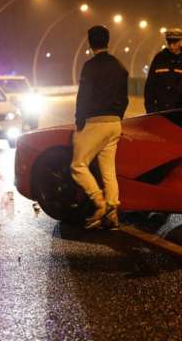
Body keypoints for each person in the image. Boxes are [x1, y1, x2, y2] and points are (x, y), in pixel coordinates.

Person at [71, 25, 129, 230]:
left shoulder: (90, 66)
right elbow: (125, 97)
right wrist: (118, 118)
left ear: (90, 42)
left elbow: (83, 96)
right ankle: (113, 213)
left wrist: (79, 121)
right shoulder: (120, 66)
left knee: (78, 165)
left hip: (95, 122)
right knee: (108, 171)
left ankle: (100, 204)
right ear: (108, 41)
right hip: (115, 123)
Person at [144, 28, 182, 113]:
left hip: (181, 112)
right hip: (160, 110)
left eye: (175, 43)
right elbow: (150, 85)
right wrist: (150, 109)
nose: (171, 46)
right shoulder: (159, 59)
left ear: (180, 41)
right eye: (169, 43)